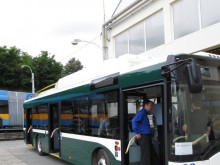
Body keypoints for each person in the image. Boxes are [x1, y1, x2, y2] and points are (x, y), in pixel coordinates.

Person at [132, 100, 154, 165]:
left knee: (151, 153)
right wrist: (137, 132)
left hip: (147, 136)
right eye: (150, 105)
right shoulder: (142, 113)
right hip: (143, 136)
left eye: (152, 106)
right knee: (145, 154)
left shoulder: (146, 113)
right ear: (145, 105)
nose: (151, 107)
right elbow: (134, 121)